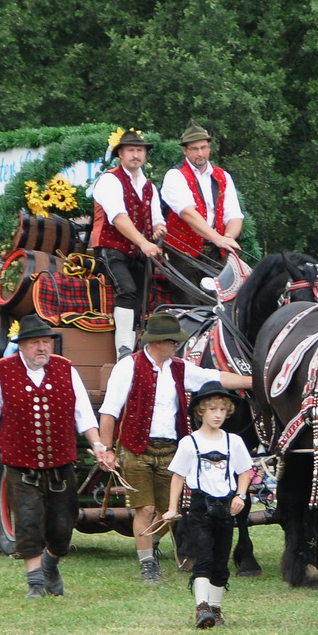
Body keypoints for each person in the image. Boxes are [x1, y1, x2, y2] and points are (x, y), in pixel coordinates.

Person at [95, 312, 251, 584]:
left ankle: (150, 541)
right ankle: (147, 563)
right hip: (137, 448)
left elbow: (214, 377)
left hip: (171, 449)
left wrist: (254, 381)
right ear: (158, 342)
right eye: (173, 341)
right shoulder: (128, 367)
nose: (177, 346)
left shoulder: (179, 367)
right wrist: (107, 449)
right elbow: (109, 411)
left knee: (169, 511)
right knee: (145, 509)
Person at [0, 315, 106, 598]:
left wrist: (97, 445)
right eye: (35, 342)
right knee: (28, 520)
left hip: (61, 461)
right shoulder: (0, 371)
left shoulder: (66, 368)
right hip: (20, 465)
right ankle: (35, 583)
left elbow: (84, 413)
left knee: (63, 524)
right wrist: (10, 428)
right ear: (22, 346)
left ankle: (51, 563)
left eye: (46, 342)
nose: (42, 348)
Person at [161, 387, 253, 627]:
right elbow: (178, 476)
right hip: (200, 507)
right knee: (203, 556)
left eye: (222, 410)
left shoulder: (234, 442)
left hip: (226, 507)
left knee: (221, 560)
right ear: (201, 411)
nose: (218, 415)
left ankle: (216, 608)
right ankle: (202, 607)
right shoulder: (190, 443)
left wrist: (240, 495)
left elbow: (245, 471)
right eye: (212, 409)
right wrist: (172, 508)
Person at [90, 129, 165, 357]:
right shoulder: (109, 180)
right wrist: (144, 242)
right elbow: (118, 217)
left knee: (143, 297)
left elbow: (157, 218)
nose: (136, 155)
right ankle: (123, 349)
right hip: (109, 249)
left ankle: (137, 350)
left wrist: (158, 228)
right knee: (127, 290)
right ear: (120, 154)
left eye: (139, 151)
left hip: (136, 253)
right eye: (130, 150)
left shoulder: (149, 187)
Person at [161, 124, 245, 265]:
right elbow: (187, 213)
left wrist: (228, 237)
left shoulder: (223, 176)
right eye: (194, 149)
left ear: (209, 148)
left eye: (204, 148)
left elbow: (234, 215)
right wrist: (218, 238)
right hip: (182, 252)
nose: (200, 153)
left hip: (216, 252)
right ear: (185, 150)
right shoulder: (175, 176)